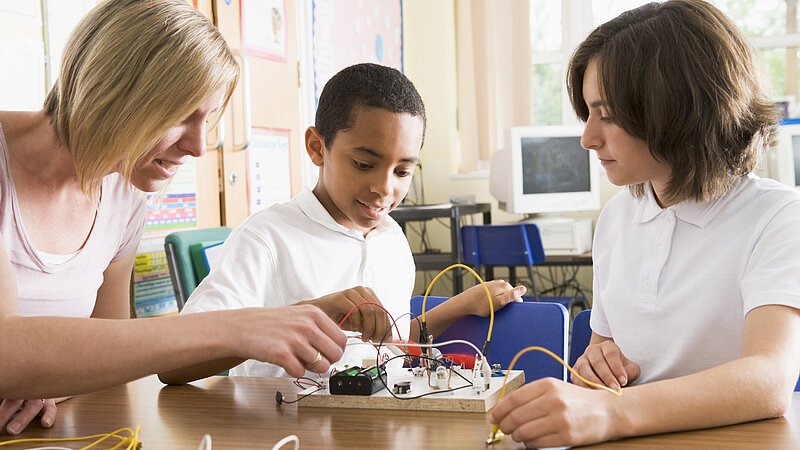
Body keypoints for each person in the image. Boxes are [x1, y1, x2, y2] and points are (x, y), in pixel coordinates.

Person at [0, 0, 349, 435]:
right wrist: (232, 328)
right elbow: (7, 352)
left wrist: (50, 380)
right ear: (113, 88)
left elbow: (109, 349)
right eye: (183, 115)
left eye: (207, 119)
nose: (199, 147)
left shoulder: (123, 192)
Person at [488, 0, 800, 447]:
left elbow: (769, 379)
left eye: (608, 115)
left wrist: (610, 412)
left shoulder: (779, 215)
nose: (588, 137)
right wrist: (597, 366)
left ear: (679, 110)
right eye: (589, 113)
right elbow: (601, 354)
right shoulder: (617, 216)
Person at [158, 63, 527, 383]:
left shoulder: (391, 238)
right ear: (318, 148)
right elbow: (173, 363)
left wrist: (461, 305)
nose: (384, 188)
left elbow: (389, 346)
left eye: (402, 170)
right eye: (364, 165)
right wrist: (315, 314)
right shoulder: (266, 239)